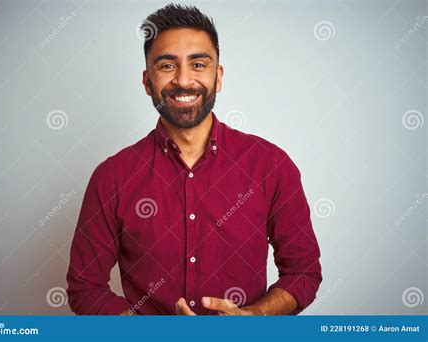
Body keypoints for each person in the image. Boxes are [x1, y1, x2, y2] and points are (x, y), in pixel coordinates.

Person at [66, 3, 322, 315]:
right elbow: (85, 287)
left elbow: (303, 271)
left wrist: (255, 317)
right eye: (167, 66)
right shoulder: (112, 177)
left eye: (199, 64)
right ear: (148, 82)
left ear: (219, 76)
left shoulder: (272, 166)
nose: (184, 81)